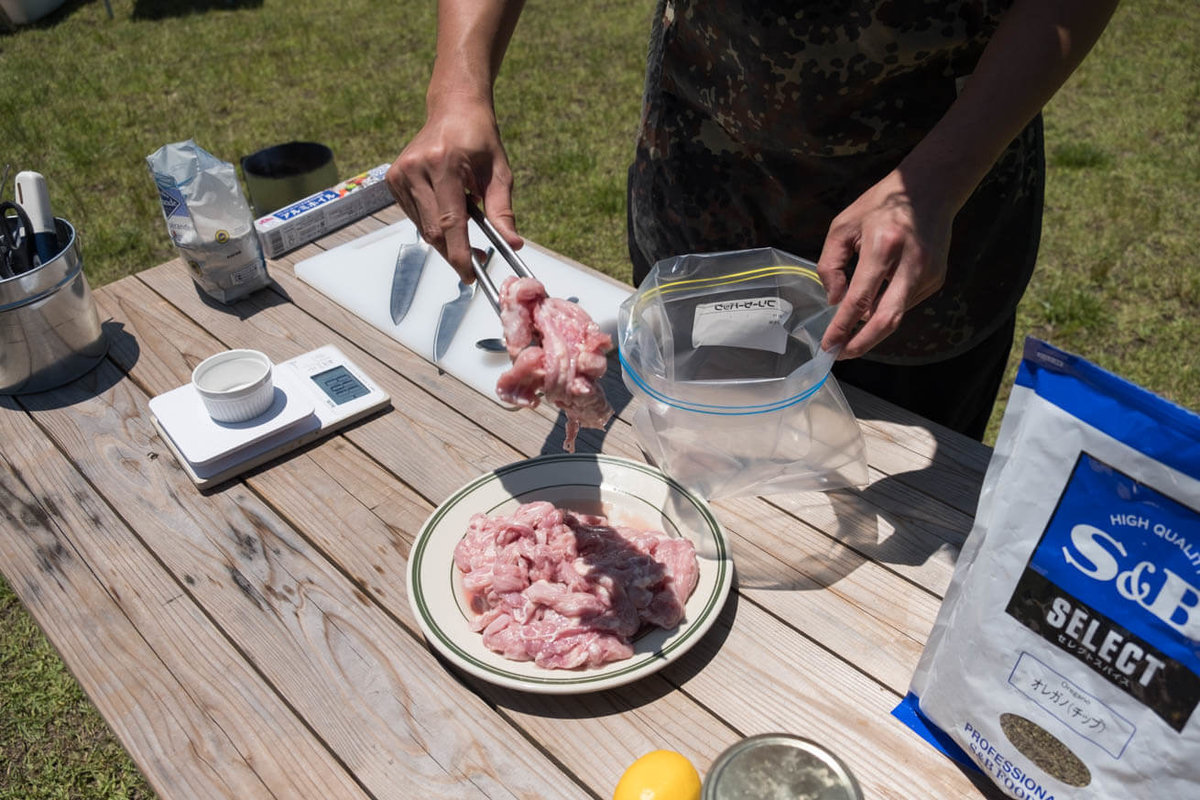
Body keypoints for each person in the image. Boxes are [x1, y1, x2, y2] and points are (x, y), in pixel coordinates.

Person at [386, 0, 1118, 441]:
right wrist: (458, 88)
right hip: (705, 181)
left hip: (927, 209)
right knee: (695, 448)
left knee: (898, 504)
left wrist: (941, 175)